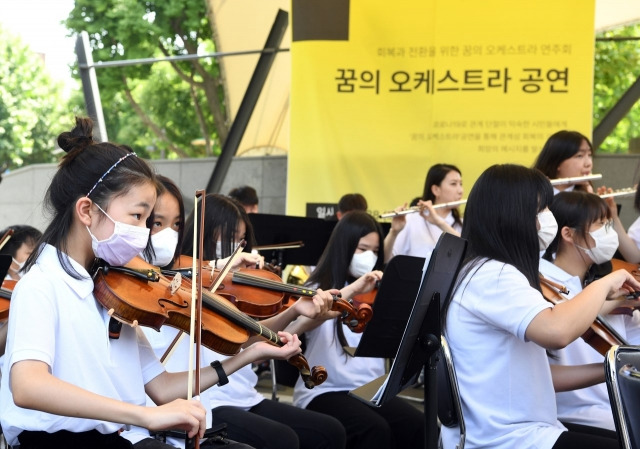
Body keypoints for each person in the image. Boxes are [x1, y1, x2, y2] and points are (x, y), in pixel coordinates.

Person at [0, 117, 303, 449]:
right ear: (87, 210)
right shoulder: (41, 284)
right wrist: (142, 416)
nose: (144, 232)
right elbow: (28, 386)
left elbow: (161, 387)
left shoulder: (113, 289)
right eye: (137, 216)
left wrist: (249, 353)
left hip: (118, 437)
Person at [440, 164, 640, 449]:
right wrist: (607, 282)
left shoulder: (485, 271)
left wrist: (615, 366)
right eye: (542, 210)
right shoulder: (493, 275)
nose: (548, 220)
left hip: (528, 429)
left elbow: (544, 376)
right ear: (514, 215)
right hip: (507, 439)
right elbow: (557, 330)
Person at [135, 185, 346, 449]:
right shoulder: (172, 286)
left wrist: (292, 311)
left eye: (177, 225)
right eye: (155, 222)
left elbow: (245, 335)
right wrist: (214, 267)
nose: (236, 248)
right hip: (213, 398)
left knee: (326, 432)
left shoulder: (209, 287)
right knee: (283, 439)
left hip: (212, 396)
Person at [288, 210, 426, 449]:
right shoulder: (318, 289)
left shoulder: (377, 292)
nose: (369, 257)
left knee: (418, 425)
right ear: (345, 246)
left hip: (368, 388)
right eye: (362, 249)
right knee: (373, 429)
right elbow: (298, 325)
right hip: (324, 390)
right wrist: (351, 290)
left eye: (374, 251)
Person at [540, 190, 640, 434]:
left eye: (609, 223)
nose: (609, 232)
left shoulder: (585, 285)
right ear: (568, 234)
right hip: (579, 411)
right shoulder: (546, 284)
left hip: (606, 403)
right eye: (600, 224)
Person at [385, 163, 463, 262]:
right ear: (436, 190)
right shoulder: (412, 219)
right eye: (453, 184)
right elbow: (387, 260)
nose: (460, 190)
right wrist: (393, 232)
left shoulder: (463, 224)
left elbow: (468, 251)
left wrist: (439, 223)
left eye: (461, 184)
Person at [182, 194, 264, 270]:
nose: (237, 245)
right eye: (230, 237)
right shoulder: (176, 263)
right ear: (205, 232)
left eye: (241, 239)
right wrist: (217, 265)